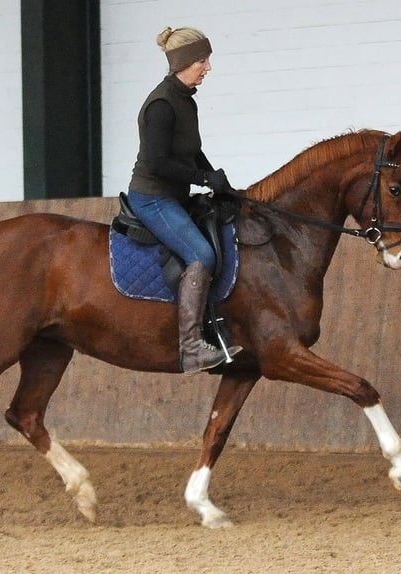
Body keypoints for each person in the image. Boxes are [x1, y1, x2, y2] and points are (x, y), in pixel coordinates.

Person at [127, 26, 242, 373]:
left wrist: (218, 180)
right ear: (183, 62)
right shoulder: (161, 104)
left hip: (175, 195)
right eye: (203, 61)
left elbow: (191, 151)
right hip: (153, 198)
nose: (208, 68)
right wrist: (205, 179)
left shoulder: (184, 99)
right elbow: (158, 163)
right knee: (202, 254)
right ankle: (191, 348)